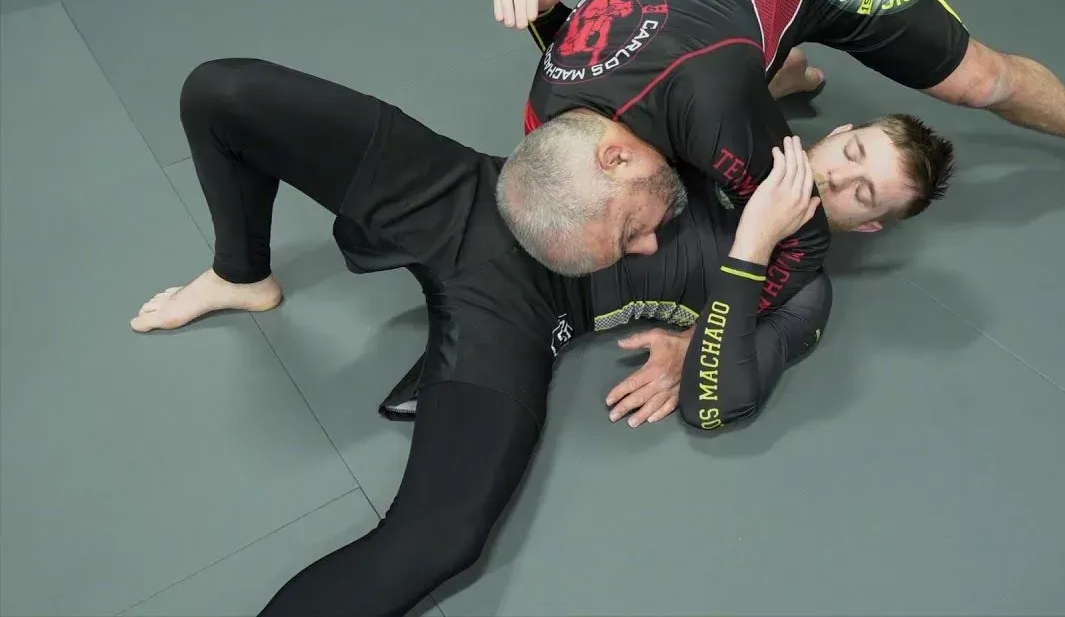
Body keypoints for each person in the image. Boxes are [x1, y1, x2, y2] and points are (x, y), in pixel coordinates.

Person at [128, 57, 865, 615]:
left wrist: (732, 289)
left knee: (442, 540)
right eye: (850, 157)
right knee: (221, 93)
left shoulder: (802, 284)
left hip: (523, 312)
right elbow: (708, 65)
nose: (831, 186)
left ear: (870, 225)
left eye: (864, 195)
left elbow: (720, 402)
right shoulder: (734, 142)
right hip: (472, 195)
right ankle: (240, 274)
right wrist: (781, 77)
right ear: (830, 137)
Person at [493, 0, 1065, 287]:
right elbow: (584, 49)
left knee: (981, 80)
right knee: (724, 60)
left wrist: (701, 333)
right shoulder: (548, 119)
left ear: (612, 157)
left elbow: (804, 239)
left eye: (630, 232)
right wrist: (554, 10)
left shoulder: (717, 109)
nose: (645, 247)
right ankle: (779, 64)